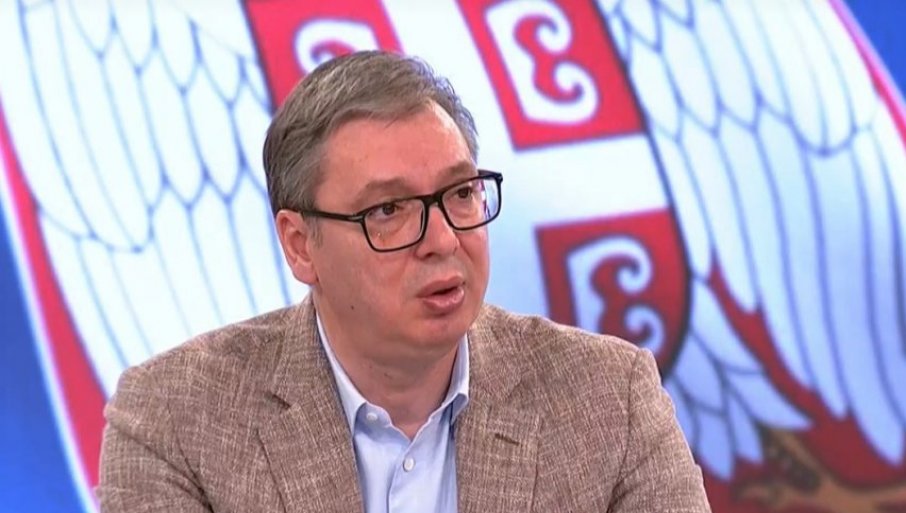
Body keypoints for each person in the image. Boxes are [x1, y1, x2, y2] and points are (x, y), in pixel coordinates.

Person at [97, 50, 711, 513]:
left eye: (461, 193)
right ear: (300, 245)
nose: (442, 239)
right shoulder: (175, 419)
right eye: (389, 210)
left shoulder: (609, 399)